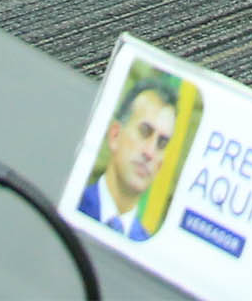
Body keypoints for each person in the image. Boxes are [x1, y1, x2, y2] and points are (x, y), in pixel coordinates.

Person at [72, 71, 181, 240]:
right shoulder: (71, 204)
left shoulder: (146, 247)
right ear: (115, 135)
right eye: (145, 131)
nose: (150, 152)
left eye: (161, 143)